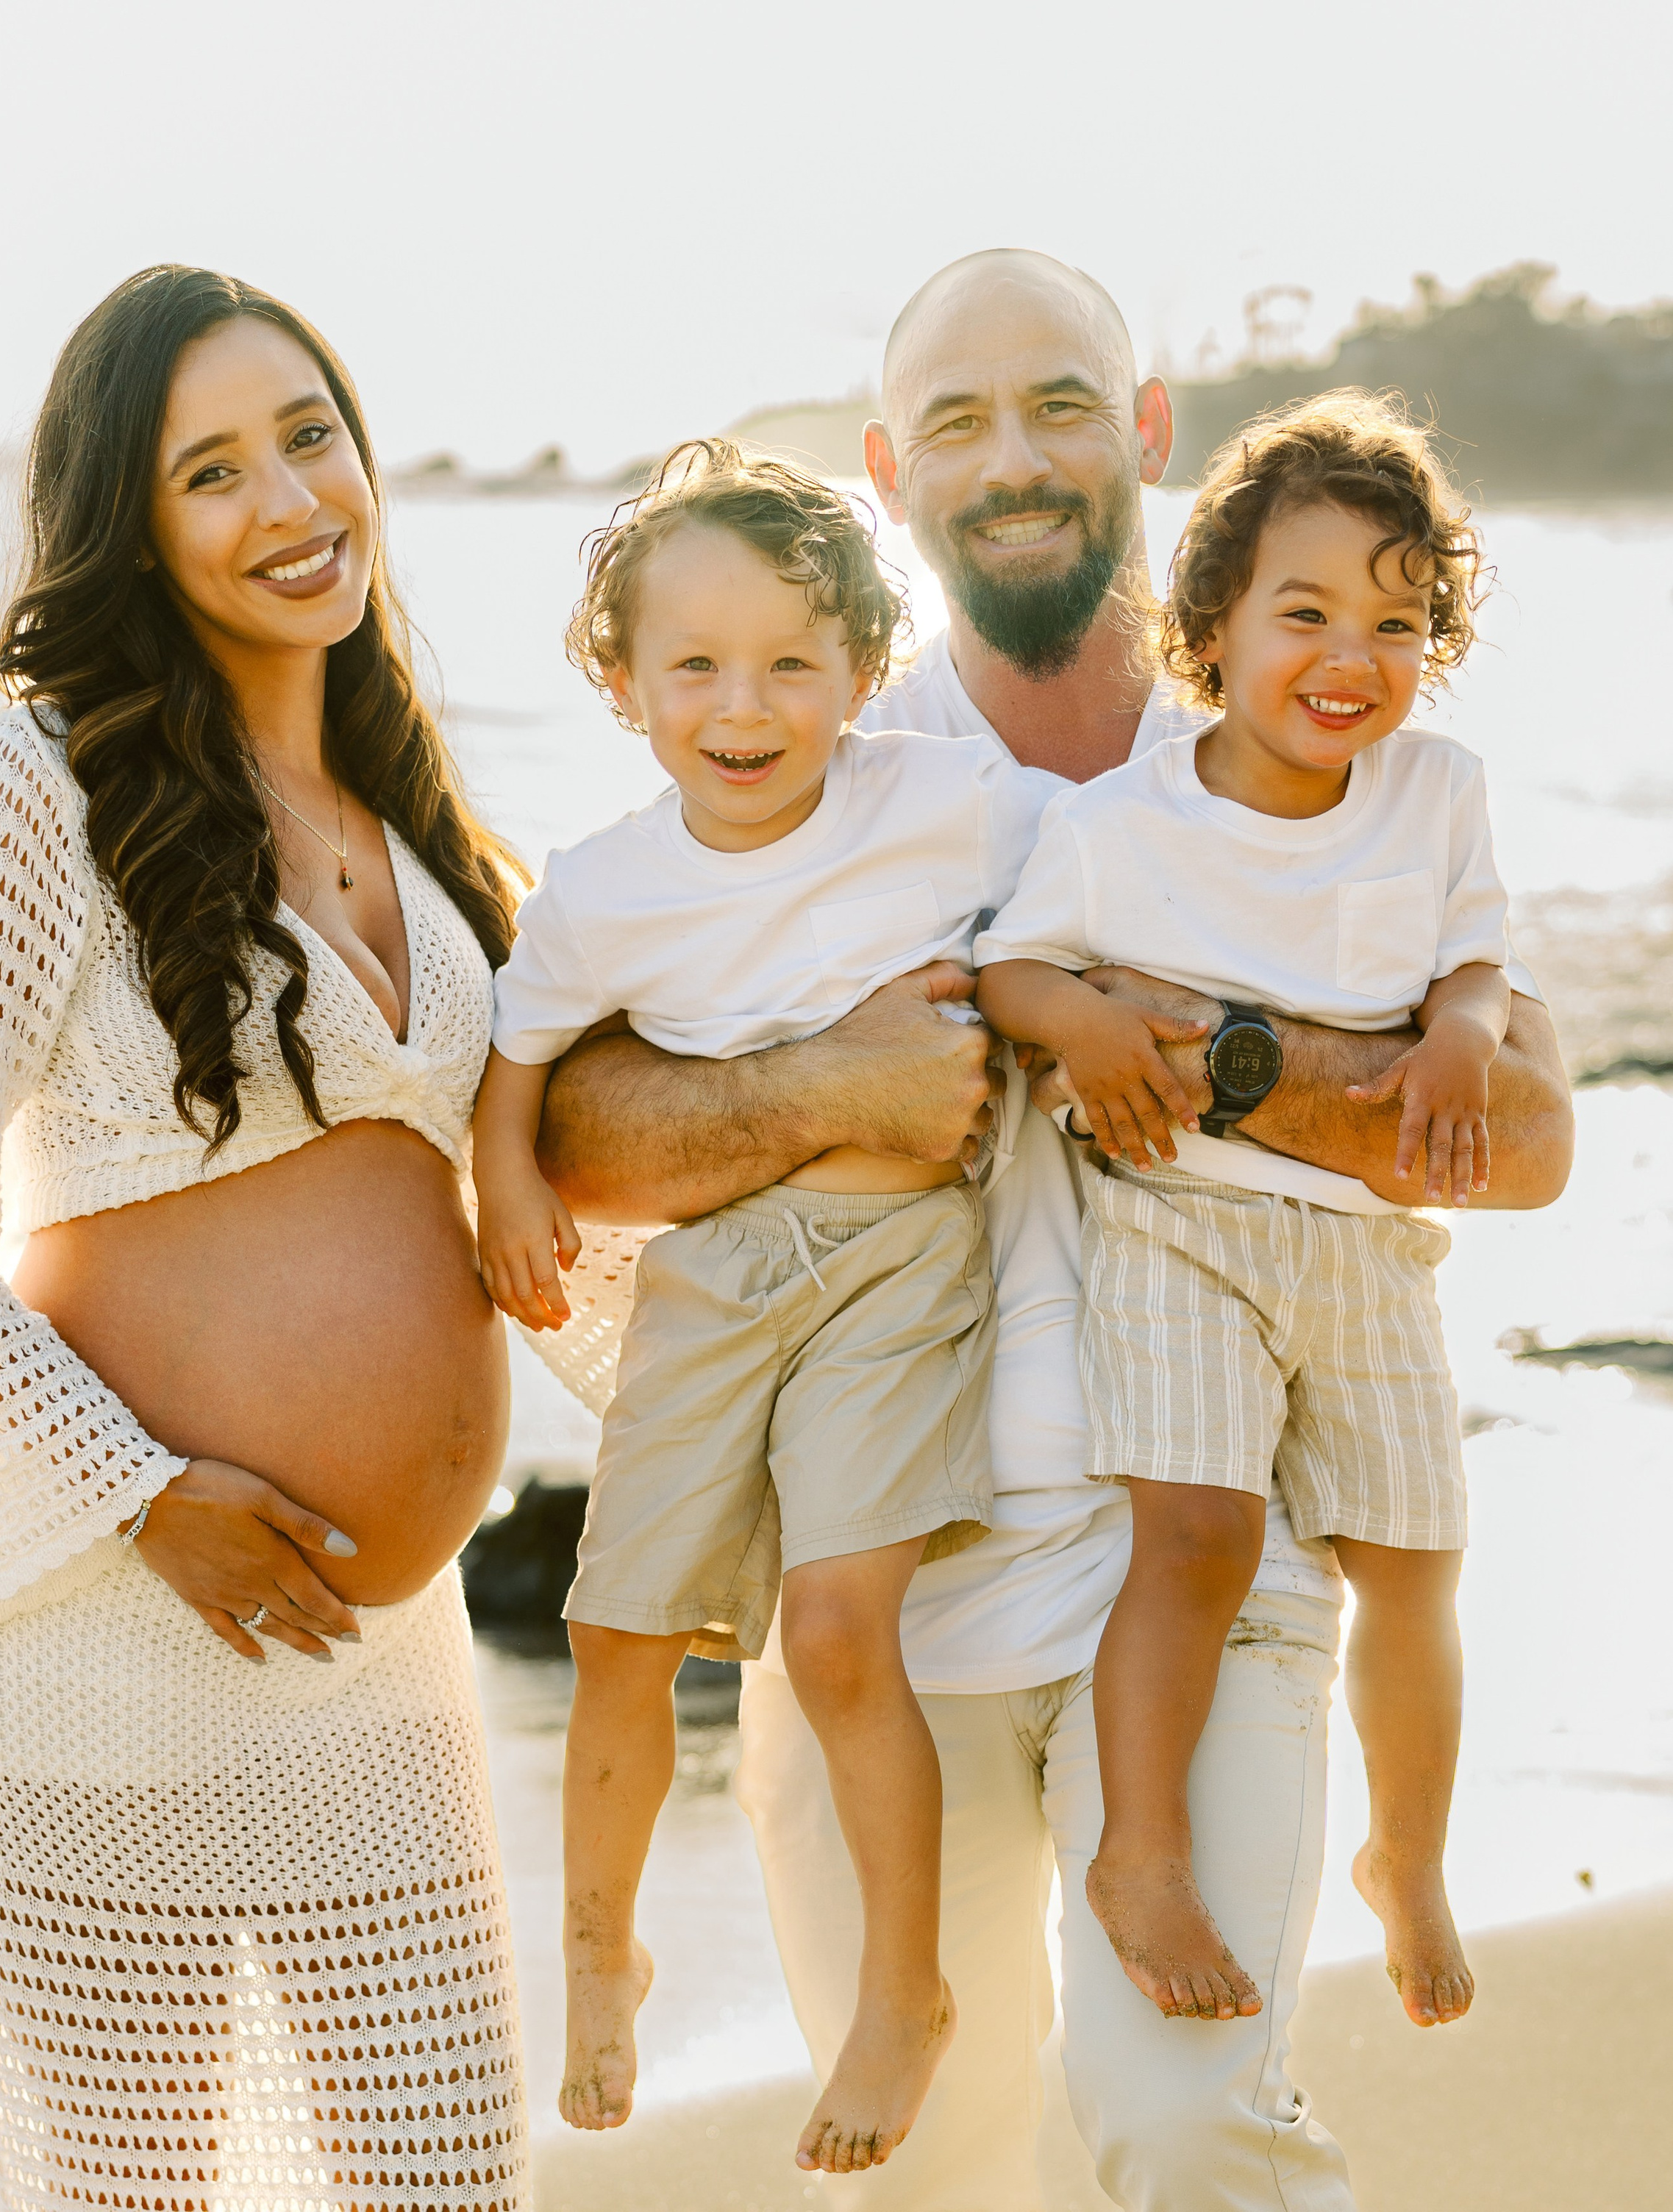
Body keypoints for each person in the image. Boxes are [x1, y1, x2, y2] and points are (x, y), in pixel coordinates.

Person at [532, 249, 1574, 2210]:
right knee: (920, 2178)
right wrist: (828, 1088)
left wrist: (1224, 1058)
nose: (1012, 459)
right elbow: (583, 1123)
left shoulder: (1320, 755)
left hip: (1205, 1571)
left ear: (1151, 432)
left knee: (1194, 2130)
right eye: (956, 421)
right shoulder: (811, 755)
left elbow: (1524, 1137)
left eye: (1063, 405)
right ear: (887, 474)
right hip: (872, 1613)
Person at [0, 267, 529, 2211]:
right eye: (213, 470)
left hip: (382, 1665)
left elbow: (535, 1209)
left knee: (451, 2179)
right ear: (137, 532)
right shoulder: (37, 793)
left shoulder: (405, 802)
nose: (291, 497)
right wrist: (141, 1493)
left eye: (310, 433)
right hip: (103, 1647)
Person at [474, 443, 1039, 2174]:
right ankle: (598, 1947)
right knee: (617, 1625)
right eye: (695, 665)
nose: (744, 704)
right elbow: (517, 1058)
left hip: (899, 1268)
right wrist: (504, 1178)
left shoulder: (945, 798)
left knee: (841, 1632)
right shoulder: (601, 887)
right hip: (714, 1277)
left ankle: (903, 1988)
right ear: (622, 679)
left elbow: (1106, 881)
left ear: (866, 672)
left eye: (793, 660)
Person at [977, 395, 1505, 2037]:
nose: (1350, 652)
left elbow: (1477, 955)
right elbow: (1011, 969)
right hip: (1182, 1225)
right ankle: (1140, 1849)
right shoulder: (1122, 821)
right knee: (1192, 1537)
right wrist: (1072, 1024)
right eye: (1305, 611)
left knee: (1410, 1558)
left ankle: (1404, 1857)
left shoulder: (1432, 790)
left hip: (1364, 1245)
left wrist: (1465, 1032)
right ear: (1208, 625)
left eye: (1396, 620)